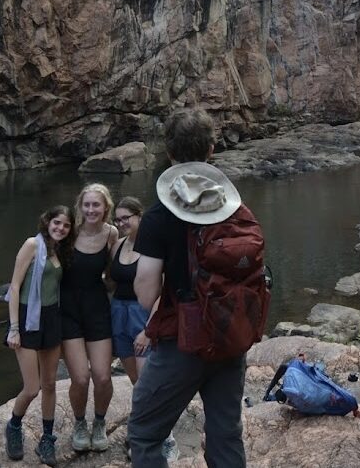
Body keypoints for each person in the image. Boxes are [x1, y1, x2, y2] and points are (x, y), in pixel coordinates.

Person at [128, 108, 248, 468]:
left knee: (145, 433)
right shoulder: (235, 208)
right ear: (212, 149)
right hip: (230, 334)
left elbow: (147, 295)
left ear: (169, 153)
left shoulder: (156, 218)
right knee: (226, 432)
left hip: (183, 340)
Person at [109, 196, 179, 461]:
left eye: (127, 217)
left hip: (143, 316)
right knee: (136, 383)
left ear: (140, 217)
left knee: (148, 384)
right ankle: (141, 435)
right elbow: (110, 280)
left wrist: (148, 329)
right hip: (119, 314)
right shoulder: (116, 246)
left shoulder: (153, 246)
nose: (122, 222)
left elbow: (162, 290)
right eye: (118, 219)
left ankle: (167, 438)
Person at [3, 206, 72, 465]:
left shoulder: (62, 251)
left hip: (52, 319)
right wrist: (13, 328)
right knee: (32, 388)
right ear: (47, 221)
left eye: (66, 225)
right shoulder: (33, 244)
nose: (60, 228)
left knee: (51, 384)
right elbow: (15, 285)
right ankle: (14, 426)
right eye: (57, 223)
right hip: (27, 318)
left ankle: (47, 439)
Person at [61, 183, 119, 452]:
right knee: (81, 378)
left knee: (103, 376)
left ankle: (99, 422)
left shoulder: (111, 234)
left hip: (97, 308)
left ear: (106, 207)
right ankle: (79, 423)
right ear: (80, 206)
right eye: (87, 204)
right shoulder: (69, 231)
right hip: (69, 310)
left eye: (96, 205)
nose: (91, 209)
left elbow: (112, 273)